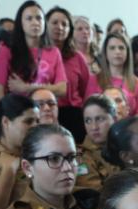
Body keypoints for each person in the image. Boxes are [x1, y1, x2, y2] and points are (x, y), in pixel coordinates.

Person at [0, 0, 67, 104]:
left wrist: (26, 88)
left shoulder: (53, 51)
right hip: (17, 112)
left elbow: (62, 89)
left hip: (45, 110)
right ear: (21, 23)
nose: (35, 22)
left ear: (45, 22)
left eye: (39, 18)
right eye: (29, 18)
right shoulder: (7, 50)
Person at [45, 6, 89, 143]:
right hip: (45, 112)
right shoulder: (38, 54)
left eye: (64, 24)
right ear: (45, 25)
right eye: (55, 22)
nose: (60, 27)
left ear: (70, 29)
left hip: (73, 115)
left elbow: (85, 89)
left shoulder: (77, 57)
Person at [96, 33, 138, 117]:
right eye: (112, 48)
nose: (117, 51)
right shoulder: (95, 79)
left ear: (127, 52)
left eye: (121, 48)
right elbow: (89, 109)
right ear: (105, 52)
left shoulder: (137, 83)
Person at [77, 94, 118, 191]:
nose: (94, 127)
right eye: (88, 121)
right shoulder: (81, 156)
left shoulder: (127, 146)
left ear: (114, 119)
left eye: (99, 119)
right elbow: (94, 196)